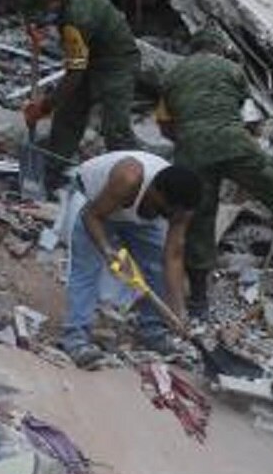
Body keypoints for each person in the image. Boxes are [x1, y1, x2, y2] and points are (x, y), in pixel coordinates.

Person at [158, 29, 273, 318]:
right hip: (233, 142)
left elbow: (163, 125)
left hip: (191, 149)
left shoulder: (172, 75)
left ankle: (199, 302)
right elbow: (246, 117)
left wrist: (190, 139)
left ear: (193, 49)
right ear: (218, 50)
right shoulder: (232, 70)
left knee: (198, 218)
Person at [59, 152, 203, 368]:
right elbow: (92, 216)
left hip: (136, 215)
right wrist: (107, 250)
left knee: (156, 265)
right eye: (167, 211)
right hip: (95, 203)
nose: (171, 218)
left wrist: (178, 311)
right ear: (155, 192)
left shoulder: (181, 207)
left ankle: (153, 332)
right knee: (87, 268)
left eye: (175, 215)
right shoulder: (129, 178)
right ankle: (76, 339)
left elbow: (172, 257)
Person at [17, 0, 140, 171]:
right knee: (68, 112)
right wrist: (37, 25)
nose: (42, 17)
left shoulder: (77, 21)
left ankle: (135, 174)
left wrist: (45, 107)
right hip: (89, 49)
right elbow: (40, 13)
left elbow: (74, 74)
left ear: (55, 0)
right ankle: (54, 165)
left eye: (42, 11)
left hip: (116, 58)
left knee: (115, 127)